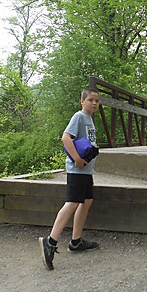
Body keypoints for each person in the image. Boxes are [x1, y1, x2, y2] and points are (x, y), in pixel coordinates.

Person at [39, 88, 100, 271]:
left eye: (97, 101)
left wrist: (89, 171)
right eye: (90, 100)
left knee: (87, 200)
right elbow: (66, 138)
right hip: (77, 170)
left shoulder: (89, 119)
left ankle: (76, 241)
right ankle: (50, 241)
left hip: (85, 172)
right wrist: (77, 159)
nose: (94, 103)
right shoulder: (79, 117)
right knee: (72, 202)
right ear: (82, 101)